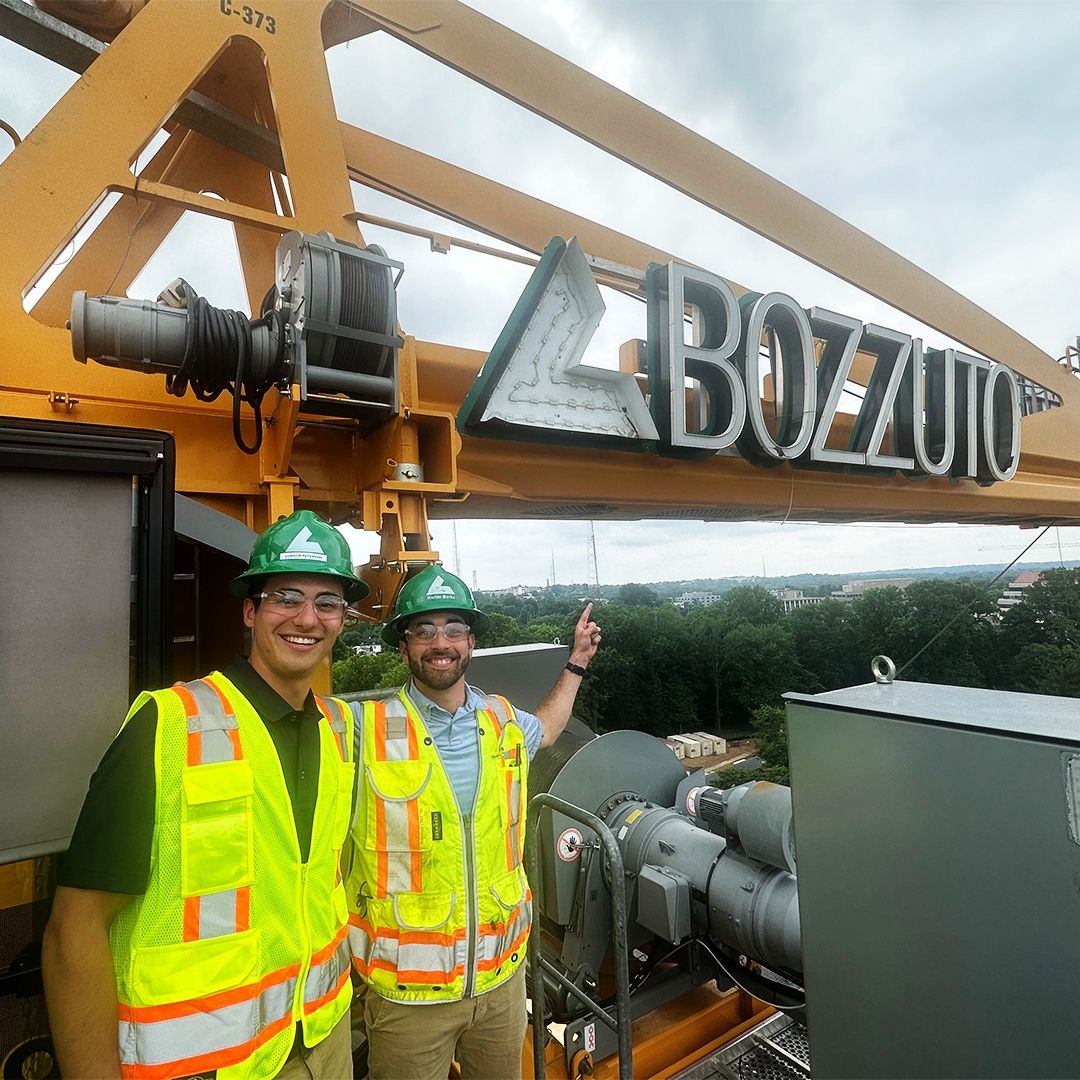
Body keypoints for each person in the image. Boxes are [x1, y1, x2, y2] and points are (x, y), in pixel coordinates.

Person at [43, 510, 365, 1080]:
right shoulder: (168, 727)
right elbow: (76, 927)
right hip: (201, 1065)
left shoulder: (338, 732)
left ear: (343, 620)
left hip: (324, 1040)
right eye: (286, 597)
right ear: (250, 611)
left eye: (328, 602)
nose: (307, 618)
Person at [345, 565, 601, 1080]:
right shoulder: (359, 733)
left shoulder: (503, 723)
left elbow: (548, 730)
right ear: (403, 646)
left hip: (502, 985)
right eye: (424, 630)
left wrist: (575, 663)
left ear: (471, 642)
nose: (441, 642)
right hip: (407, 997)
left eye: (454, 629)